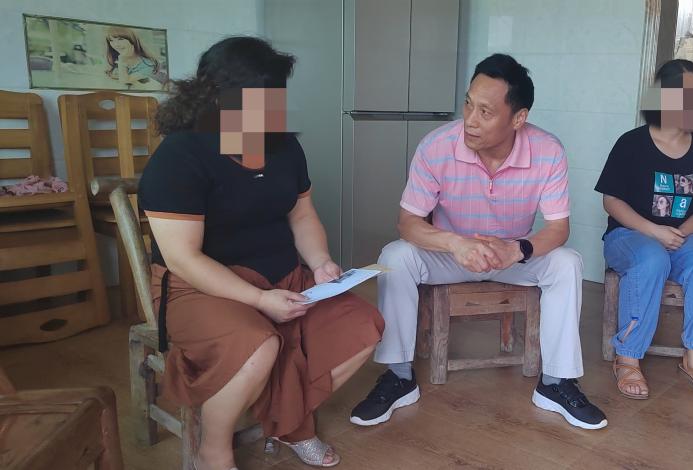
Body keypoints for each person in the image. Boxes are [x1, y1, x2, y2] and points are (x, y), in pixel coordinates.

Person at [140, 36, 384, 469]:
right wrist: (258, 299)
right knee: (258, 345)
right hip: (199, 288)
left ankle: (289, 422)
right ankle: (213, 449)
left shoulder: (284, 147)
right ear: (217, 97)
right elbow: (183, 259)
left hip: (284, 277)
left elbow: (302, 215)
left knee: (362, 325)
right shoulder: (180, 155)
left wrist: (320, 262)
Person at [350, 53, 607, 430]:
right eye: (468, 104)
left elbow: (558, 228)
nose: (470, 119)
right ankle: (398, 376)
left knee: (567, 263)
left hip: (511, 256)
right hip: (451, 255)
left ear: (518, 118)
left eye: (485, 112)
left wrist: (517, 249)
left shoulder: (547, 151)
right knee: (395, 256)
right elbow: (408, 223)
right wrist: (455, 244)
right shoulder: (437, 146)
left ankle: (556, 383)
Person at [595, 59, 693, 400]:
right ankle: (628, 357)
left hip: (682, 236)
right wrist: (655, 232)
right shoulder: (631, 144)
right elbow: (611, 201)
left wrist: (678, 233)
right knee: (652, 258)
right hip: (629, 236)